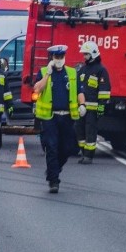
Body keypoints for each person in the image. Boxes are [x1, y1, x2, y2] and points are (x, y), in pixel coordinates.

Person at [33, 45, 80, 192]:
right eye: (56, 57)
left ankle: (55, 169)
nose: (59, 60)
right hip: (50, 118)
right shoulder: (43, 72)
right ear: (52, 58)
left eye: (61, 57)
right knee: (52, 148)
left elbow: (79, 90)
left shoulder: (72, 72)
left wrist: (83, 104)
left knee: (69, 148)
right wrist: (47, 74)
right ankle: (54, 181)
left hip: (67, 117)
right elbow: (37, 89)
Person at [75, 41, 111, 165]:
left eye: (86, 54)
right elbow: (77, 87)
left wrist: (101, 106)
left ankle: (89, 156)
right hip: (81, 107)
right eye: (84, 54)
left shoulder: (101, 70)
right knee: (78, 130)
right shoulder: (83, 69)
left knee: (90, 132)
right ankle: (83, 152)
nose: (84, 56)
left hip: (93, 109)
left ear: (93, 54)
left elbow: (104, 90)